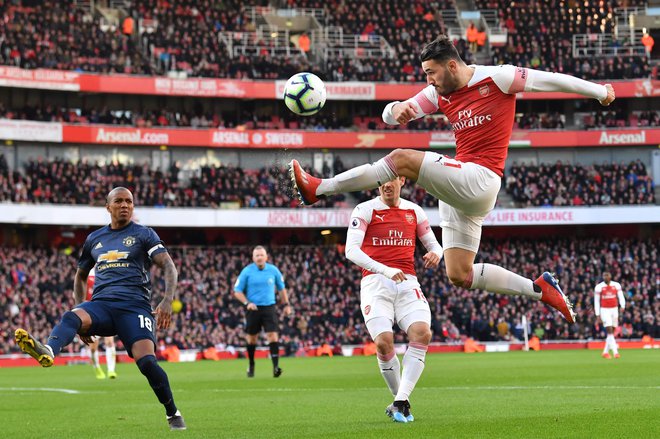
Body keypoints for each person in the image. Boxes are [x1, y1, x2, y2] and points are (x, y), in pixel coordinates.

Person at [290, 35, 617, 324]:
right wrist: (398, 108)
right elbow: (390, 115)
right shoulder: (438, 92)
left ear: (451, 65)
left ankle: (320, 188)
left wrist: (600, 91)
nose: (428, 80)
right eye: (425, 75)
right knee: (460, 273)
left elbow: (553, 80)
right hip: (459, 189)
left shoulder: (500, 78)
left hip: (482, 179)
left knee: (402, 159)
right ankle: (540, 289)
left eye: (431, 73)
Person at [14, 187, 186, 430]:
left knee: (147, 363)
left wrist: (168, 299)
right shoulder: (95, 239)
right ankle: (49, 351)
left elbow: (168, 265)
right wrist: (80, 307)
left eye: (129, 201)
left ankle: (172, 411)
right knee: (71, 316)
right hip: (101, 306)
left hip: (134, 307)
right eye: (119, 201)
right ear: (108, 207)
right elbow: (80, 275)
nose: (125, 205)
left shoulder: (144, 234)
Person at [345, 176, 442, 423]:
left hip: (408, 283)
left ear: (402, 180)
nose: (387, 185)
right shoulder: (365, 209)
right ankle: (401, 400)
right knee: (384, 343)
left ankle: (400, 401)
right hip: (375, 283)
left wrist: (436, 253)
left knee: (422, 333)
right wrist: (385, 269)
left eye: (392, 180)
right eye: (382, 181)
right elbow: (351, 250)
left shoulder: (414, 211)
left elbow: (434, 244)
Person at [233, 245, 292, 378]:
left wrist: (287, 305)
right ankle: (251, 364)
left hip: (269, 307)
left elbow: (282, 289)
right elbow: (237, 291)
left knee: (272, 336)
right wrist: (247, 303)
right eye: (257, 255)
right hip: (253, 308)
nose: (259, 258)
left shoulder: (273, 270)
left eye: (261, 255)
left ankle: (276, 367)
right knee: (252, 339)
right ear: (253, 258)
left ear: (266, 257)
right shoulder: (247, 271)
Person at [85, 267, 118, 379]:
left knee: (109, 341)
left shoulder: (107, 269)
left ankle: (111, 370)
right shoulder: (87, 272)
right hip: (92, 312)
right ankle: (97, 367)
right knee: (93, 346)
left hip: (106, 310)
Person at [594, 271, 625, 359]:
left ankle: (605, 352)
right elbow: (596, 301)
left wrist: (622, 305)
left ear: (610, 276)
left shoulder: (616, 285)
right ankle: (616, 352)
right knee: (610, 330)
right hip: (604, 310)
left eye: (607, 275)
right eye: (604, 276)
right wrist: (597, 314)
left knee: (612, 331)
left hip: (614, 309)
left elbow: (621, 296)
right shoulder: (599, 287)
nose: (606, 277)